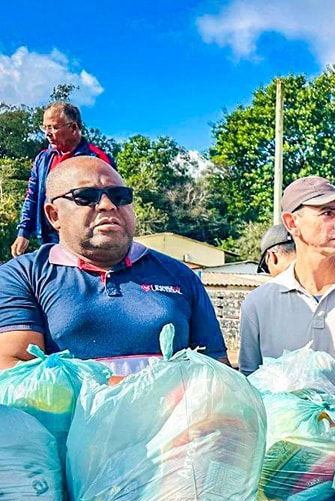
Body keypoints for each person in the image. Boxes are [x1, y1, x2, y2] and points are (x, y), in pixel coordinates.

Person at [0, 156, 226, 370]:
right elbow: (15, 371)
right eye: (86, 196)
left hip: (176, 412)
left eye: (119, 196)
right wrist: (138, 393)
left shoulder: (179, 274)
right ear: (54, 216)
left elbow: (217, 368)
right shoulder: (22, 276)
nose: (107, 205)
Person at [238, 176, 335, 406]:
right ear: (291, 223)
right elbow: (250, 388)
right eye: (327, 213)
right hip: (285, 440)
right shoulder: (258, 304)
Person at [12, 102, 115, 257]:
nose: (47, 133)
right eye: (45, 127)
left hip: (84, 239)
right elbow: (31, 197)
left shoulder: (96, 159)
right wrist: (23, 232)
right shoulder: (42, 159)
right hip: (48, 237)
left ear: (73, 128)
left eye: (53, 127)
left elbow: (109, 199)